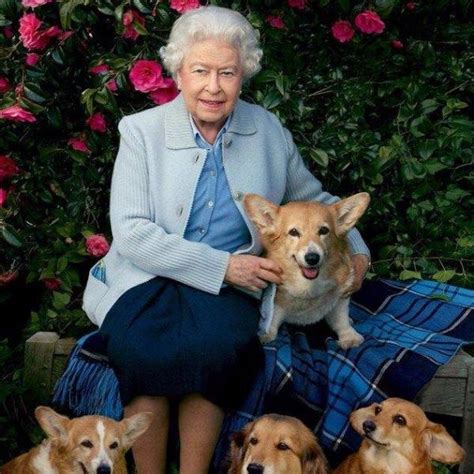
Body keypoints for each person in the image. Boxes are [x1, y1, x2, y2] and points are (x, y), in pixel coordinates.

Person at [82, 6, 370, 473]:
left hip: (233, 285)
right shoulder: (141, 132)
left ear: (243, 76)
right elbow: (131, 233)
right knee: (139, 349)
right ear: (178, 72)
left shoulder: (267, 131)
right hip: (145, 276)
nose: (213, 86)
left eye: (227, 73)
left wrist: (357, 253)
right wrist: (221, 267)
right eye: (200, 71)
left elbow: (317, 202)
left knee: (218, 348)